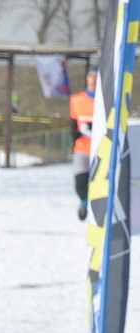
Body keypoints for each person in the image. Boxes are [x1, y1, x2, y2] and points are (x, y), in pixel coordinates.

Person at [71, 67, 97, 220]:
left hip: (101, 148)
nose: (93, 79)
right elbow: (73, 122)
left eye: (96, 76)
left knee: (99, 182)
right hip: (82, 148)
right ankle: (84, 202)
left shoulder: (107, 101)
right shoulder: (76, 100)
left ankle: (98, 207)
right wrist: (74, 134)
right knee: (80, 182)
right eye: (91, 76)